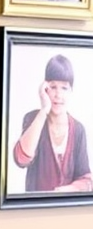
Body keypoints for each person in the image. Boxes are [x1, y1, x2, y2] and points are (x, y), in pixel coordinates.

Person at [12, 53, 92, 193]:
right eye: (53, 87)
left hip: (66, 209)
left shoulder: (78, 129)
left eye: (64, 88)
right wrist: (44, 110)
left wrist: (66, 190)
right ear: (45, 89)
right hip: (34, 209)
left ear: (71, 91)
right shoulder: (32, 119)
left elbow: (85, 179)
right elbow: (21, 159)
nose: (58, 95)